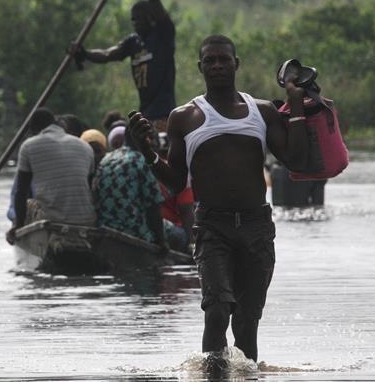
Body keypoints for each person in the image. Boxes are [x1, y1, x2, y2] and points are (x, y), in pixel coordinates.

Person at [128, 34, 309, 364]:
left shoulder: (263, 112)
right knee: (217, 310)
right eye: (209, 61)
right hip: (213, 227)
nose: (217, 66)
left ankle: (247, 373)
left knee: (247, 323)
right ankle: (212, 373)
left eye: (223, 59)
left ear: (236, 64)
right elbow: (176, 179)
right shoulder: (184, 117)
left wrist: (295, 104)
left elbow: (294, 159)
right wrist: (148, 152)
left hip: (256, 226)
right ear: (200, 68)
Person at [72, 0, 176, 132]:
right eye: (133, 20)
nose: (135, 24)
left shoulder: (163, 34)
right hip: (146, 113)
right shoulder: (133, 42)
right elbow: (107, 54)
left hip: (164, 113)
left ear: (151, 19)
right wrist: (84, 53)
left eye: (139, 19)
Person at [6, 107, 96, 245]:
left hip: (53, 221)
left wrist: (17, 227)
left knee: (29, 203)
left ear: (34, 130)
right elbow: (91, 190)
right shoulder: (85, 146)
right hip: (87, 220)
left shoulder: (29, 146)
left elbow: (21, 192)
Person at [92, 128, 168, 250]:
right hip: (135, 232)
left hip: (105, 228)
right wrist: (161, 242)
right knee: (180, 236)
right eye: (152, 141)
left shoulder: (106, 159)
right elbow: (153, 208)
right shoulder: (143, 161)